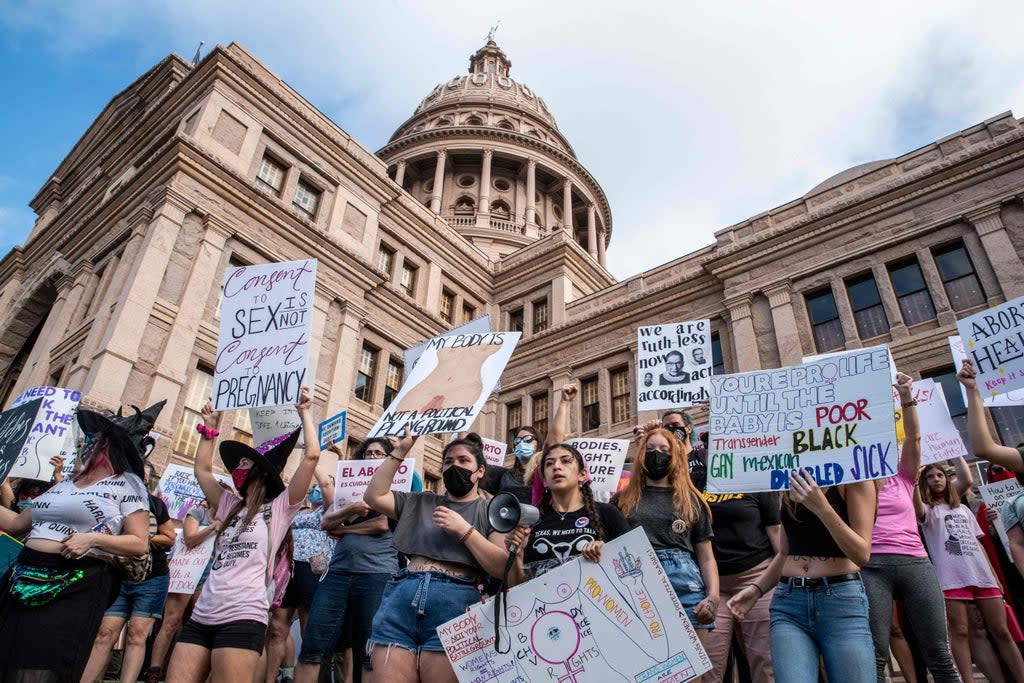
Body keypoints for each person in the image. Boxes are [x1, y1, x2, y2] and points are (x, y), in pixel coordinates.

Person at [164, 387, 321, 683]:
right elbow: (202, 471)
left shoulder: (279, 509)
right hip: (202, 615)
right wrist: (209, 430)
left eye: (245, 463)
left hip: (243, 615)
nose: (238, 467)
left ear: (260, 472)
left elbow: (312, 456)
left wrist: (305, 412)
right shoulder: (228, 504)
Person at [0, 401, 164, 681]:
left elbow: (138, 543)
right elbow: (16, 524)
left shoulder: (128, 484)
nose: (89, 442)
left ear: (112, 448)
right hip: (22, 576)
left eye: (97, 439)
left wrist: (92, 539)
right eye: (91, 437)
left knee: (40, 663)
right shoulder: (65, 483)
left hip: (74, 583)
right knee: (6, 653)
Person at [363, 431, 509, 683]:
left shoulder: (491, 511)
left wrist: (465, 531)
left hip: (454, 606)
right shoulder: (420, 502)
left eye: (464, 461)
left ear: (480, 471)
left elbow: (501, 566)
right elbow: (374, 496)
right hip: (401, 599)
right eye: (449, 461)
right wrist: (400, 450)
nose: (455, 466)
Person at [860, 372, 960, 682]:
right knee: (875, 654)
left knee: (939, 653)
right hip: (871, 567)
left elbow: (914, 438)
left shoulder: (905, 476)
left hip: (914, 563)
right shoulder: (856, 483)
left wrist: (906, 396)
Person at [293, 438, 398, 683]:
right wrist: (351, 510)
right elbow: (327, 522)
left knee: (368, 651)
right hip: (338, 573)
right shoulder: (349, 490)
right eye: (368, 453)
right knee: (313, 644)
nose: (372, 457)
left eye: (379, 453)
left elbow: (382, 524)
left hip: (377, 574)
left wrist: (345, 529)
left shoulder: (396, 488)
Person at [917, 458, 1024, 682]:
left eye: (939, 475)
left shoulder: (963, 509)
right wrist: (914, 477)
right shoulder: (927, 511)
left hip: (982, 576)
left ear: (947, 479)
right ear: (924, 483)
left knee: (1002, 632)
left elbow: (979, 544)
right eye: (930, 477)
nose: (935, 479)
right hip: (951, 579)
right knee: (964, 632)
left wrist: (994, 577)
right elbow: (915, 501)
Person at [614, 429, 718, 655]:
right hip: (637, 586)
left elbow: (706, 556)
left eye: (663, 450)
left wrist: (713, 595)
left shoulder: (690, 500)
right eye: (650, 450)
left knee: (693, 670)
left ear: (675, 457)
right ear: (641, 455)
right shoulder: (622, 500)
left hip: (686, 585)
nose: (656, 455)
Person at [769, 469, 877, 682]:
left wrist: (822, 507)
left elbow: (861, 554)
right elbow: (784, 552)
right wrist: (755, 591)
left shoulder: (856, 478)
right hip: (789, 602)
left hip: (840, 601)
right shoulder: (791, 481)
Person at [81, 463, 177, 683]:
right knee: (105, 633)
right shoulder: (110, 502)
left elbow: (170, 537)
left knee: (136, 635)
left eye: (142, 473)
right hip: (119, 577)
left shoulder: (154, 503)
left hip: (152, 579)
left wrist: (138, 538)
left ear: (146, 479)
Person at [507, 442, 631, 584]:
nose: (556, 466)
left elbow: (634, 559)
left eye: (566, 461)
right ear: (544, 481)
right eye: (549, 464)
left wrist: (607, 553)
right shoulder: (531, 523)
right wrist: (517, 554)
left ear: (582, 474)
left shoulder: (607, 513)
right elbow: (516, 588)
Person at [701, 485, 783, 682]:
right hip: (713, 586)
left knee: (765, 661)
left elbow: (778, 539)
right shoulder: (697, 481)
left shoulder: (756, 482)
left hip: (757, 579)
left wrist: (774, 579)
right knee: (707, 663)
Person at [265, 466, 335, 683]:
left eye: (319, 487)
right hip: (286, 569)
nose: (315, 489)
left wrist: (313, 464)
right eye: (311, 487)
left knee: (308, 630)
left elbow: (325, 486)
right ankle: (269, 678)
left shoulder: (330, 511)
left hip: (312, 570)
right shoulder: (295, 510)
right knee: (277, 629)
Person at [145, 500, 222, 682]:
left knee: (202, 623)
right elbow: (190, 539)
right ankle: (154, 671)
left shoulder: (231, 519)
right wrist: (212, 528)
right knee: (171, 621)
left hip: (211, 571)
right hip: (189, 569)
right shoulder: (198, 514)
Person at [488, 384, 575, 504]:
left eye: (528, 439)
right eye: (517, 441)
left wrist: (564, 402)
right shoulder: (504, 475)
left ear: (538, 443)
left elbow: (554, 441)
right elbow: (472, 464)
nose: (522, 443)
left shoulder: (545, 470)